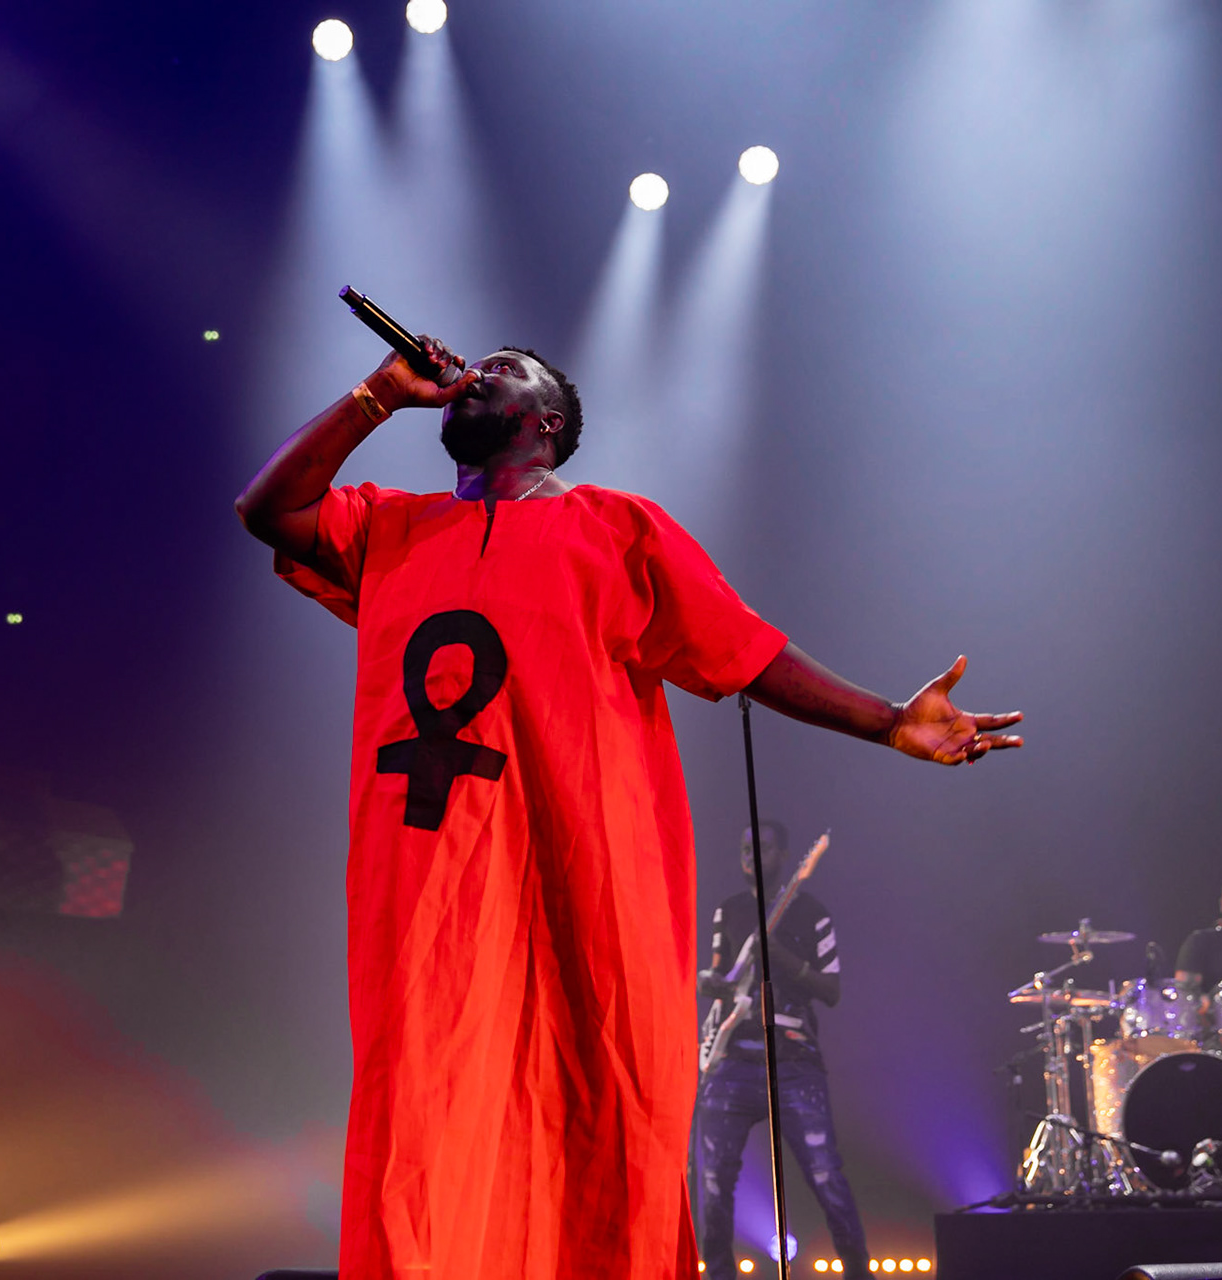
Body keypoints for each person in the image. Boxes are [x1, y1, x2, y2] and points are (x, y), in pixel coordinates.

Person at [234, 336, 1022, 1280]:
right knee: (423, 1123)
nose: (475, 373)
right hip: (432, 892)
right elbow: (269, 507)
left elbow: (750, 653)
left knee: (600, 1106)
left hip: (585, 871)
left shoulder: (618, 530)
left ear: (549, 424)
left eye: (505, 368)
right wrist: (375, 395)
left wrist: (888, 721)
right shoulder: (389, 529)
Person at [694, 822, 869, 1278]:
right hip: (732, 1058)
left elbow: (831, 990)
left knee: (827, 1174)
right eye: (745, 849)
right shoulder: (728, 912)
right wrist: (709, 983)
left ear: (787, 855)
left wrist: (785, 960)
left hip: (793, 1063)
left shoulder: (812, 914)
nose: (752, 856)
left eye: (763, 848)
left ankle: (858, 1271)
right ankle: (717, 1273)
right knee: (711, 1180)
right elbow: (720, 978)